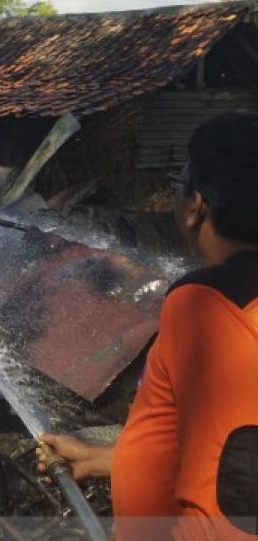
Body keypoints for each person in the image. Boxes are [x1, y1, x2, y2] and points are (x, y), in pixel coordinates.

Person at [39, 112, 258, 539]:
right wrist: (99, 459)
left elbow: (237, 496)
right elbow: (211, 443)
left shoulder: (209, 304)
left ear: (196, 207)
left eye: (179, 185)